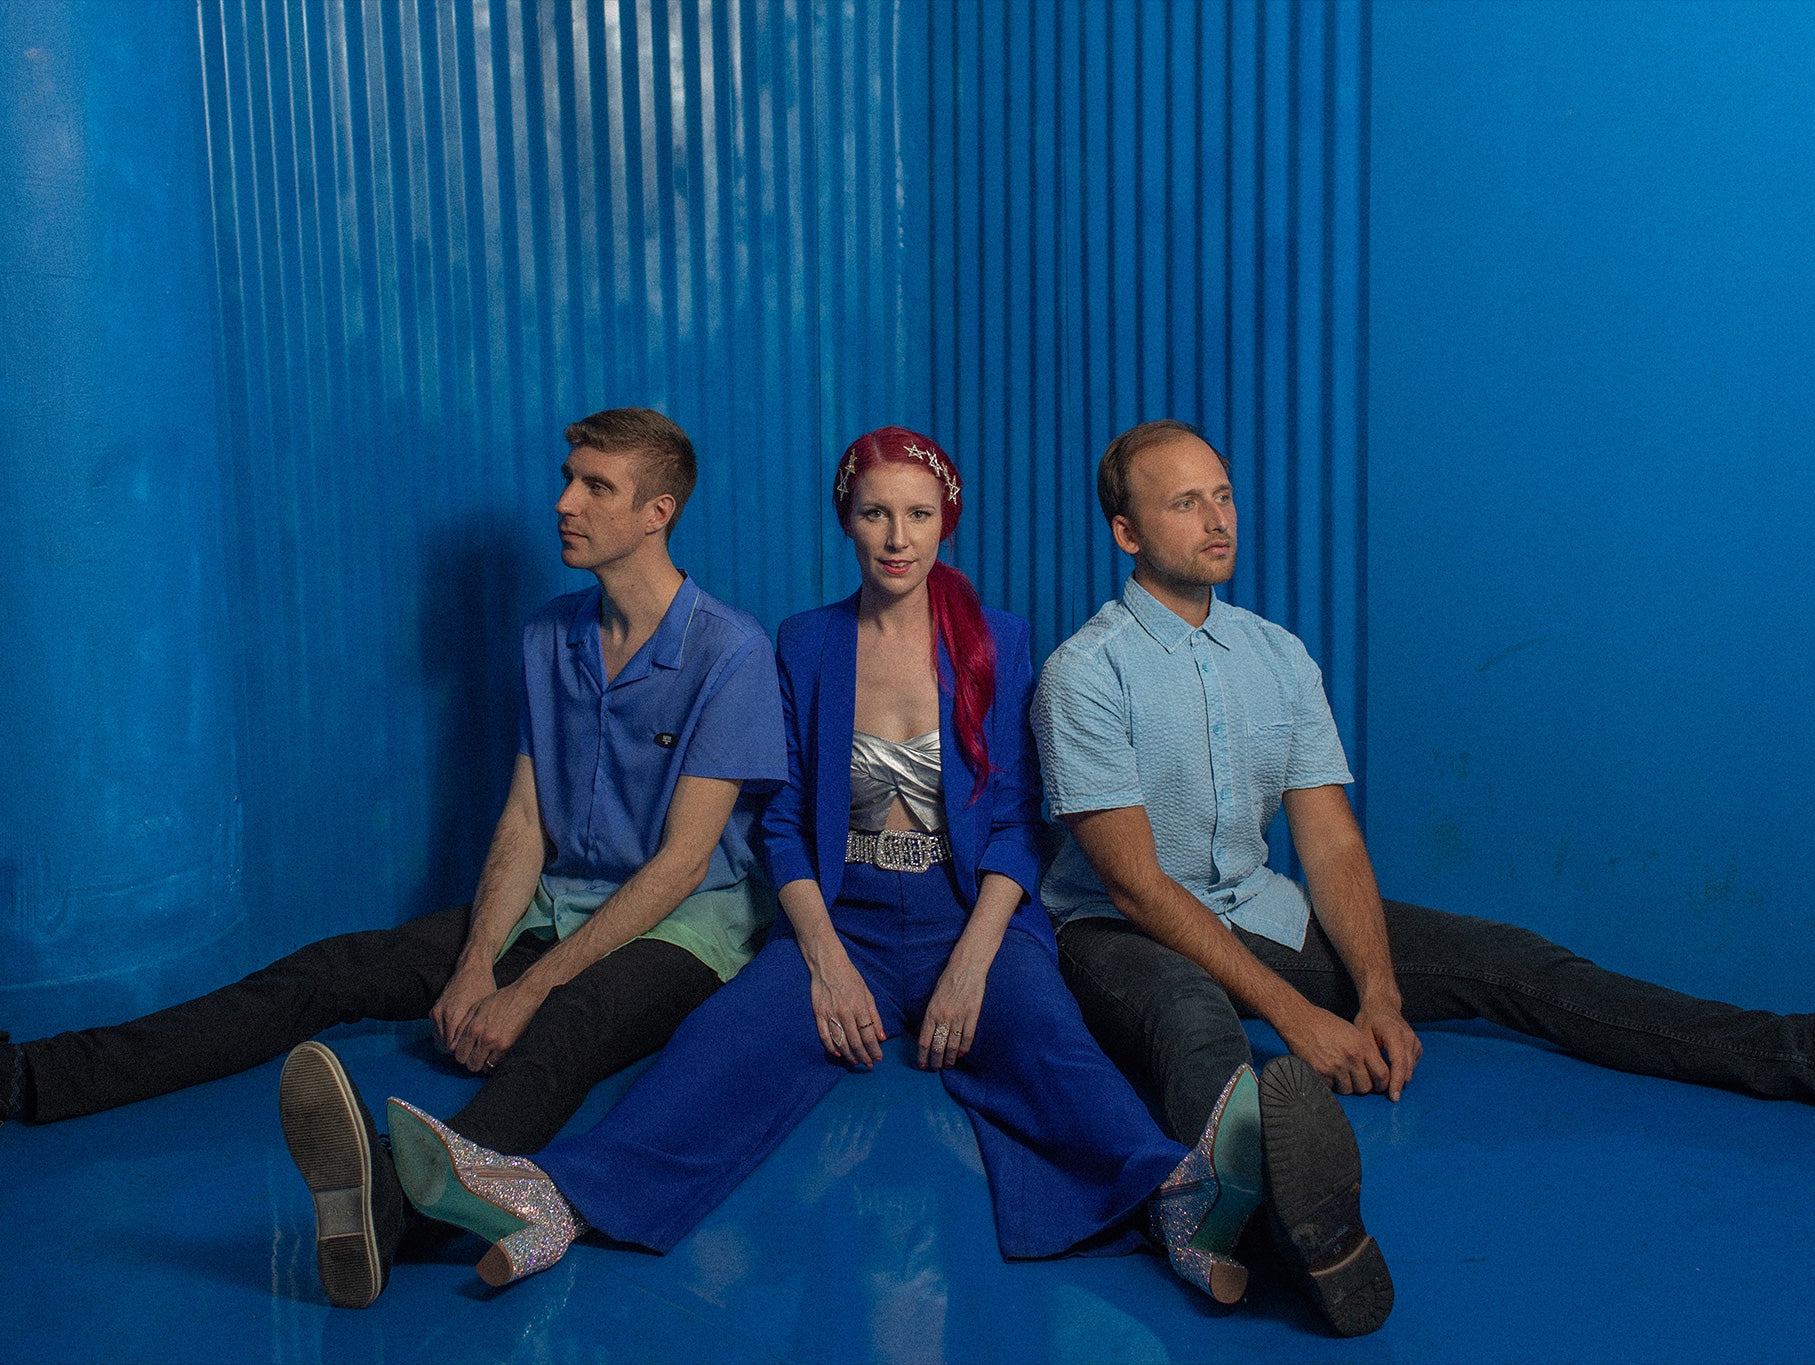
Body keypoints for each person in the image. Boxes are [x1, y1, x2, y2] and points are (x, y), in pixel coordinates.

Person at [1034, 419, 1815, 1337]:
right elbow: (1140, 888)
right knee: (1198, 1024)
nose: (1217, 520)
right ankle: (1297, 1240)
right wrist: (1301, 1016)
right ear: (1127, 532)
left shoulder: (1276, 654)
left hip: (1257, 907)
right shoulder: (1086, 674)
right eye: (1184, 503)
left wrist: (1377, 993)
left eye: (1224, 495)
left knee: (1513, 961)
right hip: (1122, 935)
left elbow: (1328, 842)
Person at [0, 407, 789, 1310]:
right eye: (566, 479)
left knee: (566, 1026)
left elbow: (679, 865)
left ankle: (395, 1206)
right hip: (558, 896)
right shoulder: (551, 634)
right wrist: (476, 963)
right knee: (334, 967)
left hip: (683, 926)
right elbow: (523, 820)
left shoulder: (729, 651)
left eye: (595, 487)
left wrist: (528, 987)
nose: (564, 503)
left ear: (658, 511)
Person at [377, 427, 1268, 1300]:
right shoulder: (804, 643)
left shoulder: (997, 638)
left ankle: (1177, 1204)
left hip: (973, 920)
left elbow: (1014, 826)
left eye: (918, 514)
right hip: (844, 923)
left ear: (946, 521)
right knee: (712, 1050)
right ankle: (554, 1202)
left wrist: (972, 966)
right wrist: (827, 959)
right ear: (847, 520)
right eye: (875, 513)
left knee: (1052, 1044)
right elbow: (786, 826)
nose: (897, 537)